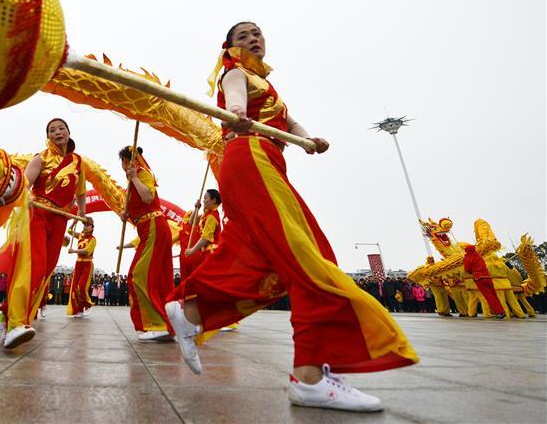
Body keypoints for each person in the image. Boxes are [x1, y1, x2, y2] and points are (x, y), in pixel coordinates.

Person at [164, 22, 418, 412]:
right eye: (244, 35)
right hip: (250, 155)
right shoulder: (235, 73)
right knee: (307, 257)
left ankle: (193, 309)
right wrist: (235, 116)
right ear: (230, 46)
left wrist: (309, 138)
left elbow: (289, 123)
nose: (254, 38)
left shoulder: (268, 88)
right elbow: (233, 105)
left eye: (258, 33)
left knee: (271, 258)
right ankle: (310, 377)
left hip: (268, 161)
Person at [0, 118, 87, 348]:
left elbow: (80, 192)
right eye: (52, 130)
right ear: (48, 136)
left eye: (61, 128)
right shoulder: (41, 157)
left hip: (61, 219)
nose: (57, 132)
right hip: (37, 214)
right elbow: (26, 183)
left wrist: (82, 215)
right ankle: (16, 323)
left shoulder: (78, 162)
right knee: (32, 266)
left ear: (69, 131)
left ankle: (6, 316)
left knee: (44, 272)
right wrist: (24, 198)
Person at [117, 146, 175, 342]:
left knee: (138, 275)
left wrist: (134, 178)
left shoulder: (143, 174)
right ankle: (166, 324)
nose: (125, 166)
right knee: (159, 278)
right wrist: (128, 215)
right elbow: (142, 205)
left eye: (126, 161)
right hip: (147, 228)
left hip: (153, 227)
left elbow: (149, 197)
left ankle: (156, 324)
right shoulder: (131, 184)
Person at [463, 245, 505, 319]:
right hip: (488, 278)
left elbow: (467, 270)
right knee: (494, 295)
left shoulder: (467, 258)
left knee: (488, 297)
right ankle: (502, 310)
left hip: (479, 279)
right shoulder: (479, 257)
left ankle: (499, 312)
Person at [67, 218, 97, 317]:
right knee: (75, 288)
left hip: (87, 264)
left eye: (87, 225)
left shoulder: (93, 239)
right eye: (84, 225)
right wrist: (73, 223)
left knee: (82, 286)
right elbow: (69, 231)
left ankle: (88, 305)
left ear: (92, 228)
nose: (85, 226)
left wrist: (74, 251)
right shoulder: (80, 235)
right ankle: (79, 310)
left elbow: (87, 251)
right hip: (78, 263)